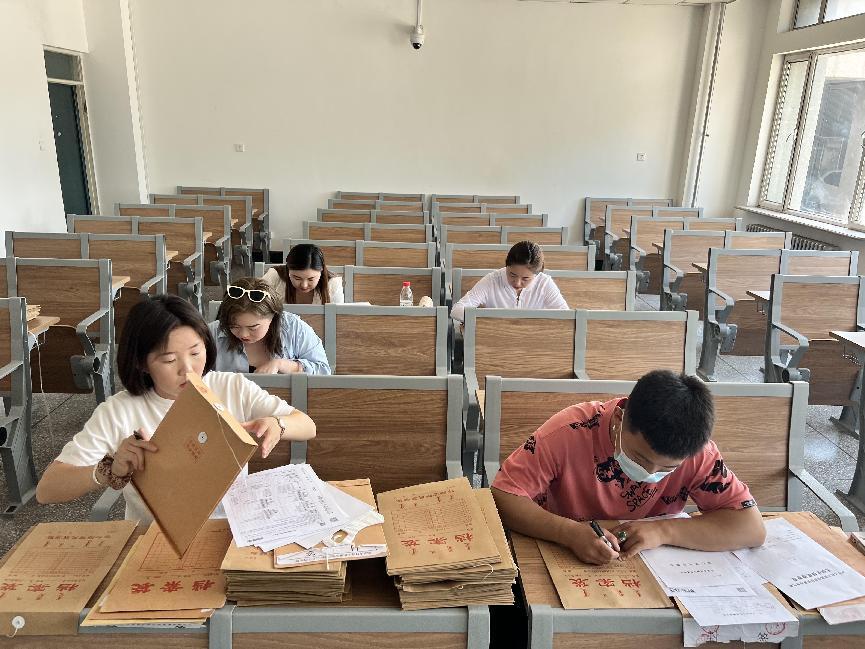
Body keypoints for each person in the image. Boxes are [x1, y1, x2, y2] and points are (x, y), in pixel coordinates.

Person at [36, 295, 316, 523]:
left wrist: (278, 424)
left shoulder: (231, 387)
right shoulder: (120, 411)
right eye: (169, 360)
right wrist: (108, 470)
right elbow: (47, 490)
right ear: (141, 363)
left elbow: (306, 425)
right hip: (154, 538)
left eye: (195, 352)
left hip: (231, 531)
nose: (188, 369)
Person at [491, 370, 766, 566]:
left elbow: (751, 527)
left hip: (651, 565)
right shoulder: (569, 432)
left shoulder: (697, 452)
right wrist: (568, 533)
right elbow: (503, 495)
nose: (650, 474)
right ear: (619, 419)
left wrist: (663, 531)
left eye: (667, 468)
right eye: (639, 458)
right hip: (559, 552)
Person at [210, 277, 331, 375]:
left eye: (253, 327)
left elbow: (323, 371)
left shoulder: (293, 327)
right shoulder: (213, 331)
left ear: (273, 317)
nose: (243, 334)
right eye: (234, 326)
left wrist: (282, 364)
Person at [450, 241, 568, 323]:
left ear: (537, 275)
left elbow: (566, 317)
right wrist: (489, 322)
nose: (517, 283)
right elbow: (457, 310)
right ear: (506, 266)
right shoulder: (492, 280)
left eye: (525, 279)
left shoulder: (544, 283)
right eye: (512, 275)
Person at [262, 243, 344, 305]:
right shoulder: (274, 275)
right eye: (297, 278)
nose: (304, 285)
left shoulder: (333, 283)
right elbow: (258, 308)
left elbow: (338, 318)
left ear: (321, 272)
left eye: (311, 279)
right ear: (288, 271)